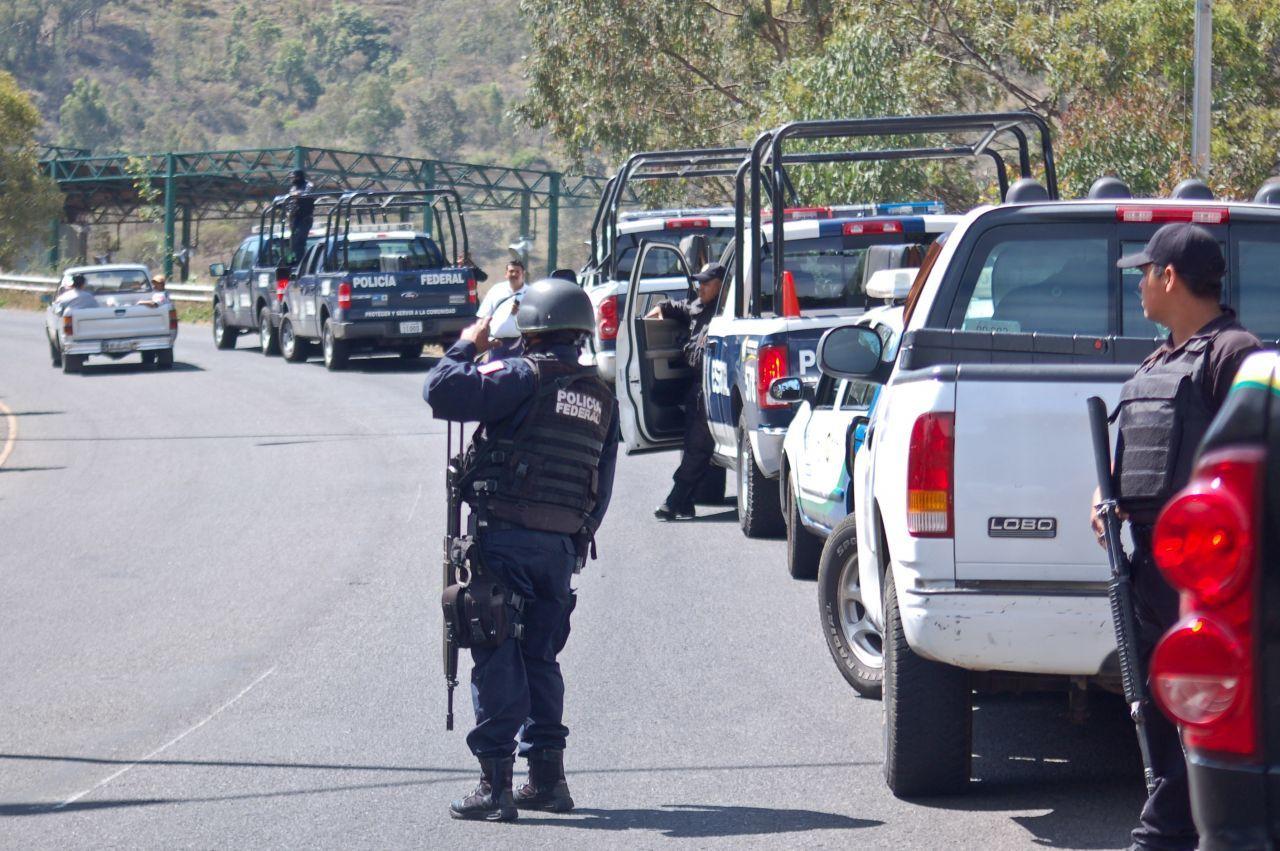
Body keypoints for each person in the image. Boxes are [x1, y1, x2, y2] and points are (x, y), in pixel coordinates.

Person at [1090, 222, 1260, 851]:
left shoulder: (1236, 354)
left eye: (1144, 273)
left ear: (1169, 277)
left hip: (1211, 576)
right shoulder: (1159, 360)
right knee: (1160, 712)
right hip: (1148, 569)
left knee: (1210, 716)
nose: (1137, 285)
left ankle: (1158, 836)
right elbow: (1133, 453)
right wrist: (1103, 497)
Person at [425, 278, 619, 822]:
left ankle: (495, 786)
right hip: (560, 548)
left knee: (496, 651)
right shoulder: (601, 397)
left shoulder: (521, 375)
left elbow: (441, 390)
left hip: (505, 537)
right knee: (540, 657)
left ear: (530, 328)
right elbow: (601, 483)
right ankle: (548, 781)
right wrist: (575, 540)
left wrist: (468, 344)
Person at [646, 262, 724, 520]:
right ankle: (685, 501)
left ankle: (675, 500)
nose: (701, 287)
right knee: (694, 445)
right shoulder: (697, 307)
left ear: (722, 285)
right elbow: (673, 306)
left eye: (706, 283)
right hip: (697, 387)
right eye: (699, 282)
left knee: (697, 447)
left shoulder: (726, 312)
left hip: (713, 386)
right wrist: (659, 310)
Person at [477, 259, 529, 361]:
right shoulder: (496, 290)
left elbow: (535, 320)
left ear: (523, 274)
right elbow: (483, 315)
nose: (514, 274)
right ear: (506, 274)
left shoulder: (530, 292)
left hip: (519, 344)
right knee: (494, 370)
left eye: (517, 272)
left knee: (516, 370)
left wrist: (520, 313)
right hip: (496, 343)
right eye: (511, 271)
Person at [287, 169, 314, 266]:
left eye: (294, 177)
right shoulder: (293, 187)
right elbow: (291, 199)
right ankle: (293, 261)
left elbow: (306, 194)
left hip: (305, 217)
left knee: (300, 241)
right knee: (293, 242)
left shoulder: (308, 185)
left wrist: (297, 194)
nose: (292, 179)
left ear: (299, 177)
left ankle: (302, 263)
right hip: (295, 218)